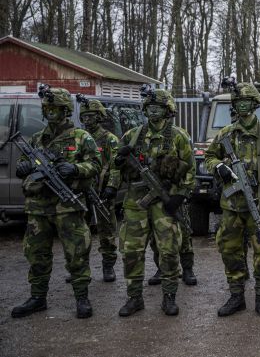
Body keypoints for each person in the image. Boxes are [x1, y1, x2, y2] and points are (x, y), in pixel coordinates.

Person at [11, 86, 100, 319]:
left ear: (65, 111)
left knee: (77, 253)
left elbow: (96, 166)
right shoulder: (37, 138)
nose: (51, 112)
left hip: (67, 207)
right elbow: (23, 160)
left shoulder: (81, 137)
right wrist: (24, 167)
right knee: (36, 254)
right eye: (47, 108)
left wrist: (76, 168)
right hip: (38, 208)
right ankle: (38, 297)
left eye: (55, 108)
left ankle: (82, 298)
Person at [204, 82, 260, 318]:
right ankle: (237, 296)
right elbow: (210, 156)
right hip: (231, 206)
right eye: (238, 102)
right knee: (229, 251)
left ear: (254, 104)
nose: (242, 105)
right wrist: (219, 166)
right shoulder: (226, 134)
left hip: (258, 205)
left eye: (246, 102)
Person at [115, 87, 194, 317]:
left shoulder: (178, 136)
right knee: (132, 252)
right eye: (149, 107)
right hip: (136, 202)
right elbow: (115, 166)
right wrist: (120, 159)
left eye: (158, 107)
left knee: (168, 251)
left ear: (167, 110)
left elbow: (190, 170)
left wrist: (180, 196)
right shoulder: (133, 135)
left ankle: (169, 297)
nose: (153, 111)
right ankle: (134, 298)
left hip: (165, 203)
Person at [76, 96, 121, 283]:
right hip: (80, 192)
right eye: (85, 116)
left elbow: (115, 166)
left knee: (106, 231)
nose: (88, 119)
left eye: (92, 116)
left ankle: (108, 266)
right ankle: (79, 268)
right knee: (79, 232)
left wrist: (111, 187)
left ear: (100, 117)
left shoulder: (109, 139)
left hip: (102, 193)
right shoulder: (78, 137)